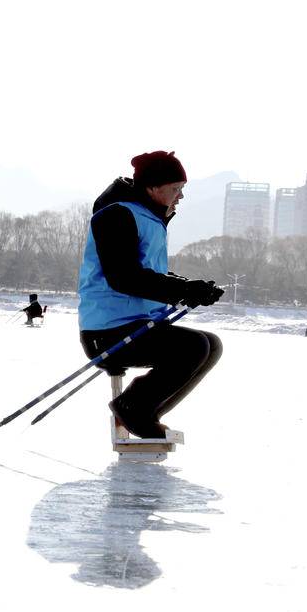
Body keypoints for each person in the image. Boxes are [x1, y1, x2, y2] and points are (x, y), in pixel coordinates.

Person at [77, 151, 224, 439]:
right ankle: (133, 408)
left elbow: (149, 273)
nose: (180, 197)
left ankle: (144, 412)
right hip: (108, 329)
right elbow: (124, 277)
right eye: (175, 189)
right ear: (153, 187)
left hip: (137, 322)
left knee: (210, 345)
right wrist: (182, 289)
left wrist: (191, 288)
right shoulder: (117, 215)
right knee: (194, 346)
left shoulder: (149, 218)